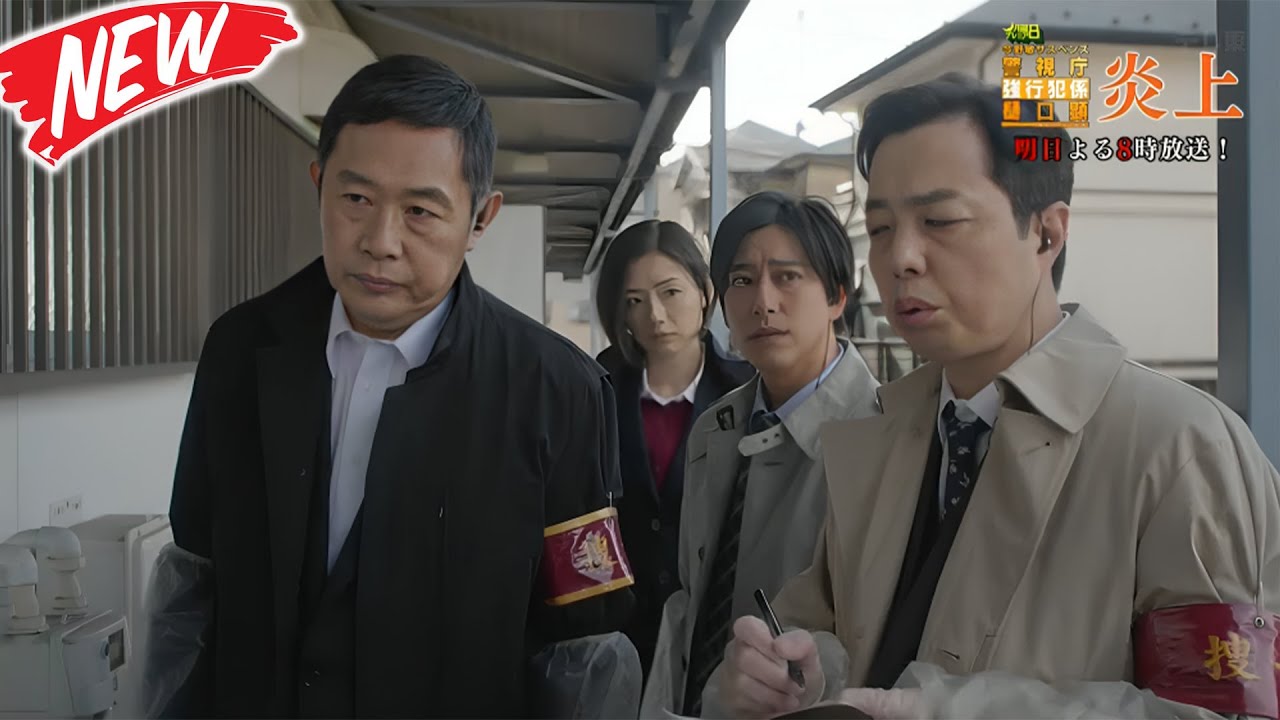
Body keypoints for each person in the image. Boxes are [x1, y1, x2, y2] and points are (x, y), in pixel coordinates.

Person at [713, 73, 1280, 720]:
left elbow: (1226, 708)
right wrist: (800, 671)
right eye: (881, 227)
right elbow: (834, 624)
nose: (901, 258)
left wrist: (957, 711)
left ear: (1047, 234)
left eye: (939, 221)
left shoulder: (1179, 448)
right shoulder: (881, 434)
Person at [158, 55, 635, 718]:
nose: (380, 241)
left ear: (480, 219)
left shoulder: (556, 390)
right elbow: (192, 586)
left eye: (420, 211)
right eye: (356, 199)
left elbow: (581, 644)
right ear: (319, 184)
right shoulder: (241, 351)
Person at [641, 191, 881, 717]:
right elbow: (691, 600)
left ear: (837, 296)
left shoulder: (880, 436)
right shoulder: (715, 428)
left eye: (788, 277)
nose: (763, 302)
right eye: (742, 280)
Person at [594, 220, 754, 680]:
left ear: (705, 292)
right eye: (634, 301)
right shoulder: (595, 391)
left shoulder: (745, 393)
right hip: (616, 635)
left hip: (718, 631)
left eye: (670, 292)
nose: (656, 315)